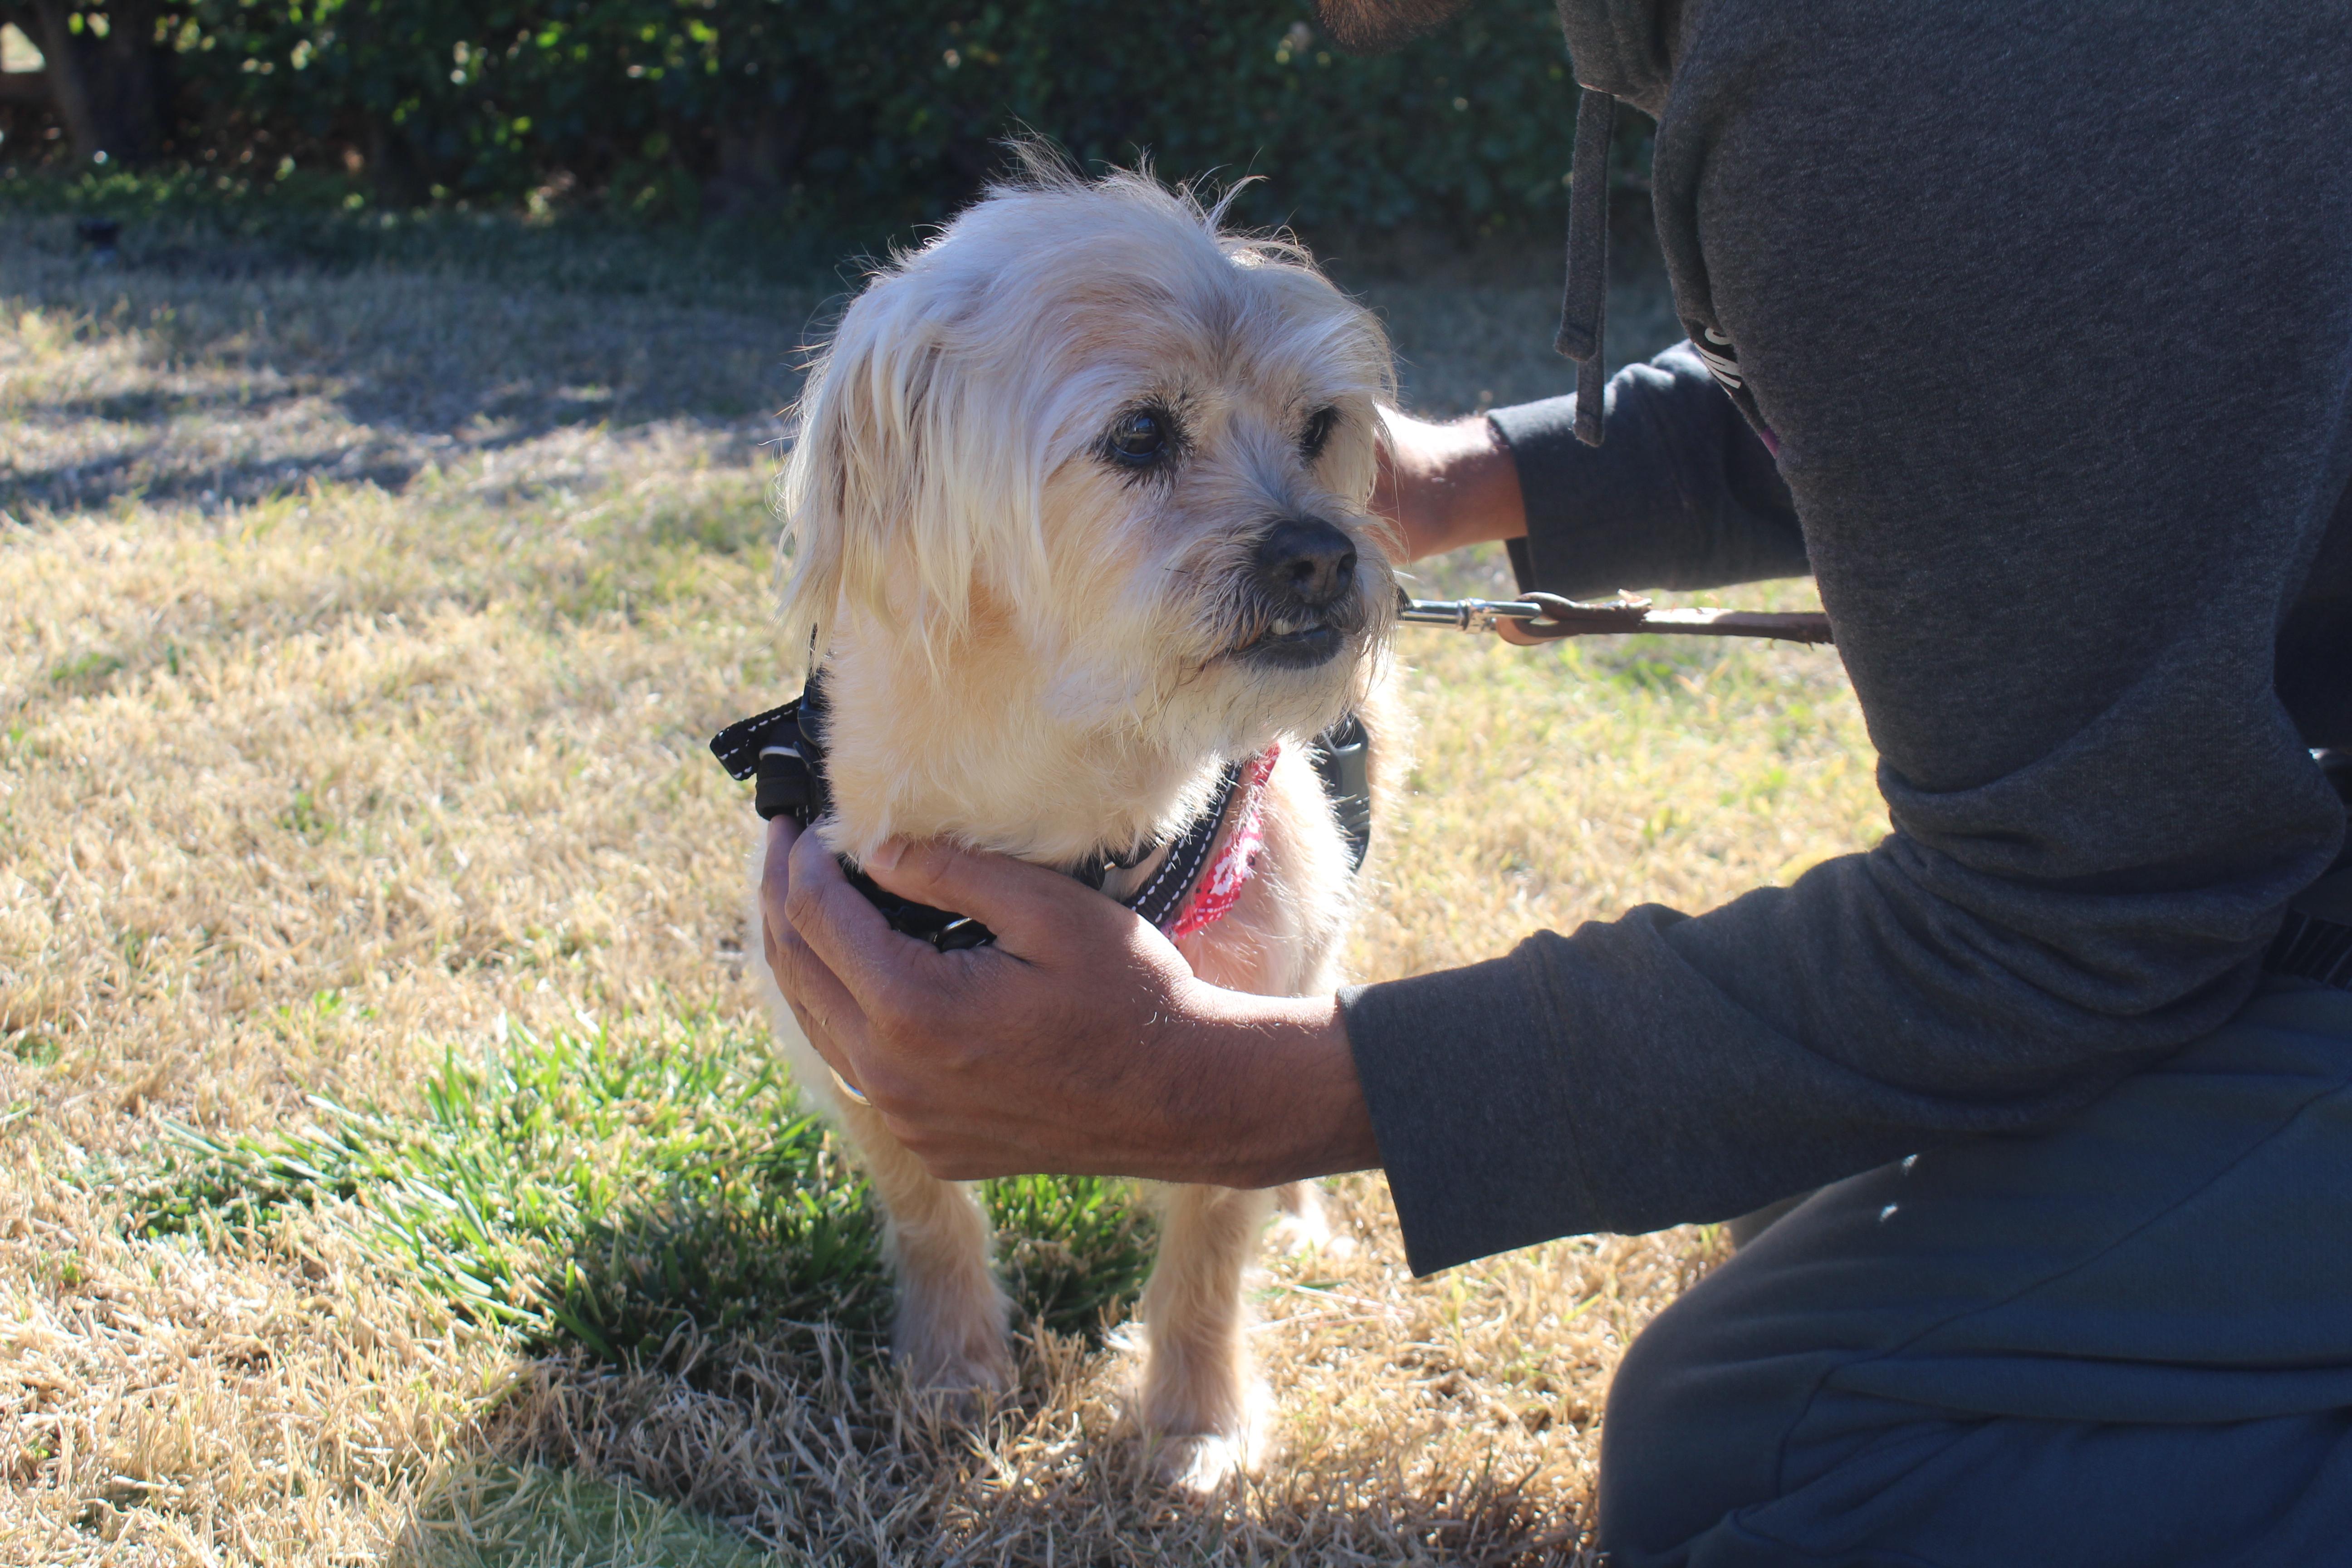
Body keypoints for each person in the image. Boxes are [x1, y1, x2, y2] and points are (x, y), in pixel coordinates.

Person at [760, 1, 2352, 1561]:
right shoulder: (1833, 70)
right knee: (1805, 1210)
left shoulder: (1885, 58)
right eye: (1137, 442)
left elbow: (2084, 908)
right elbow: (1957, 372)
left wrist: (1255, 1093)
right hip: (2288, 849)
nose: (1311, 527)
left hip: (2263, 879)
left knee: (1756, 1454)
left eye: (1310, 434)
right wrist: (1478, 478)